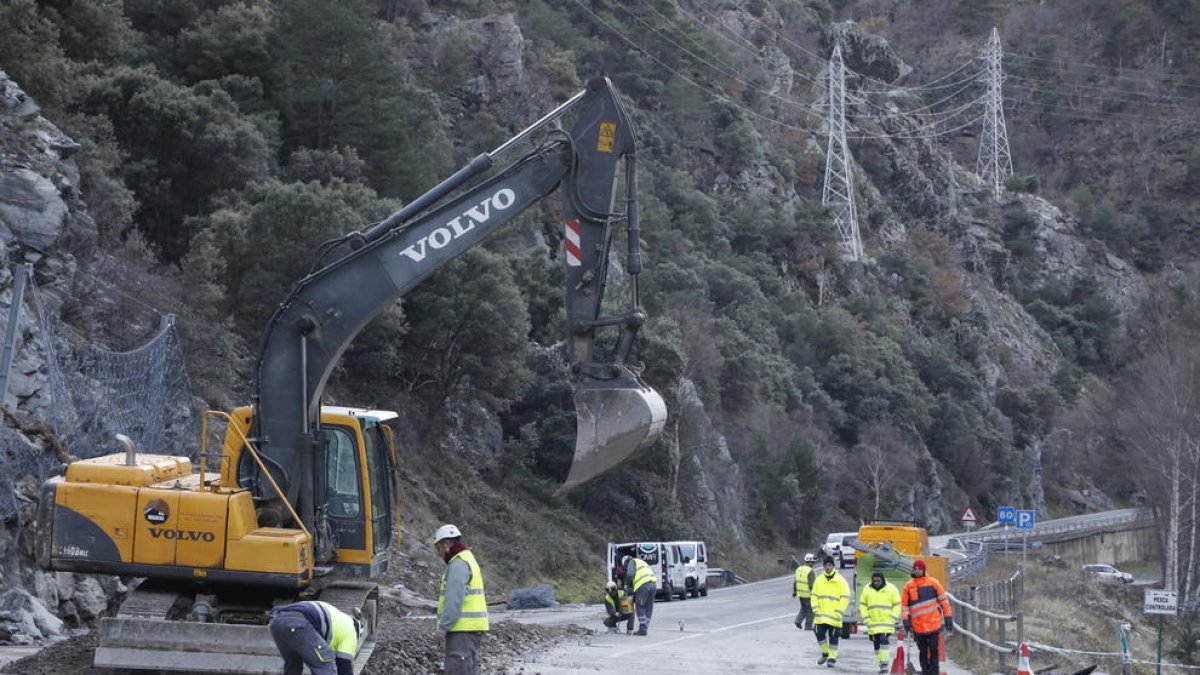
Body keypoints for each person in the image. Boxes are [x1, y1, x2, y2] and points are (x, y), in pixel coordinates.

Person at [433, 523, 490, 675]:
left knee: (457, 670)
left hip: (462, 630)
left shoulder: (458, 564)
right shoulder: (467, 559)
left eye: (438, 548)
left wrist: (443, 628)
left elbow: (454, 599)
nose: (439, 554)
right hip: (469, 630)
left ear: (446, 544)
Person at [268, 600, 363, 675]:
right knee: (326, 666)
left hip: (277, 622)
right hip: (300, 622)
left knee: (293, 668)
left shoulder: (339, 617)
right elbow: (344, 666)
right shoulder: (351, 631)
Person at [901, 559, 953, 675]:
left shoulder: (933, 583)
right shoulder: (908, 586)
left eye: (919, 569)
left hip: (933, 624)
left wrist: (948, 618)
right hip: (918, 626)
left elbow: (944, 601)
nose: (917, 571)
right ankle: (926, 672)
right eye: (915, 569)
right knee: (923, 651)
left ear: (923, 569)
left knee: (934, 650)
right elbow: (904, 606)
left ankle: (934, 672)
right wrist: (905, 621)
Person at [811, 555, 851, 668]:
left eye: (829, 565)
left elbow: (845, 596)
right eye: (825, 565)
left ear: (833, 566)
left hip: (835, 615)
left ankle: (832, 658)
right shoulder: (819, 580)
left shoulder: (840, 580)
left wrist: (840, 610)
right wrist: (815, 608)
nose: (827, 567)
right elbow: (814, 595)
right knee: (819, 634)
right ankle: (825, 653)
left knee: (834, 637)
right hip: (821, 615)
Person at [859, 570, 902, 673]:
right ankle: (880, 663)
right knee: (876, 644)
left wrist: (893, 618)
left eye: (878, 581)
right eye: (874, 581)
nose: (876, 583)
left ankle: (884, 663)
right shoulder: (867, 589)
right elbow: (863, 605)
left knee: (883, 640)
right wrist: (866, 619)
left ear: (882, 580)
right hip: (873, 624)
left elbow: (897, 604)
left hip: (886, 623)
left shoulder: (891, 589)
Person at [619, 554, 657, 635]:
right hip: (653, 585)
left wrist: (626, 585)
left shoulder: (632, 562)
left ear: (626, 563)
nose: (626, 568)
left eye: (625, 567)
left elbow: (630, 574)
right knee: (648, 607)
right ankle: (645, 627)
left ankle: (642, 628)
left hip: (643, 586)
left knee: (640, 606)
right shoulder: (641, 562)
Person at [793, 553, 817, 630]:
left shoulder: (798, 569)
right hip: (808, 594)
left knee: (803, 608)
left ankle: (798, 621)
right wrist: (815, 594)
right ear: (809, 562)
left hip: (800, 594)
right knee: (810, 611)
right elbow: (811, 584)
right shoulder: (810, 571)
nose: (813, 563)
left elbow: (795, 582)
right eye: (813, 562)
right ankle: (808, 626)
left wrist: (795, 592)